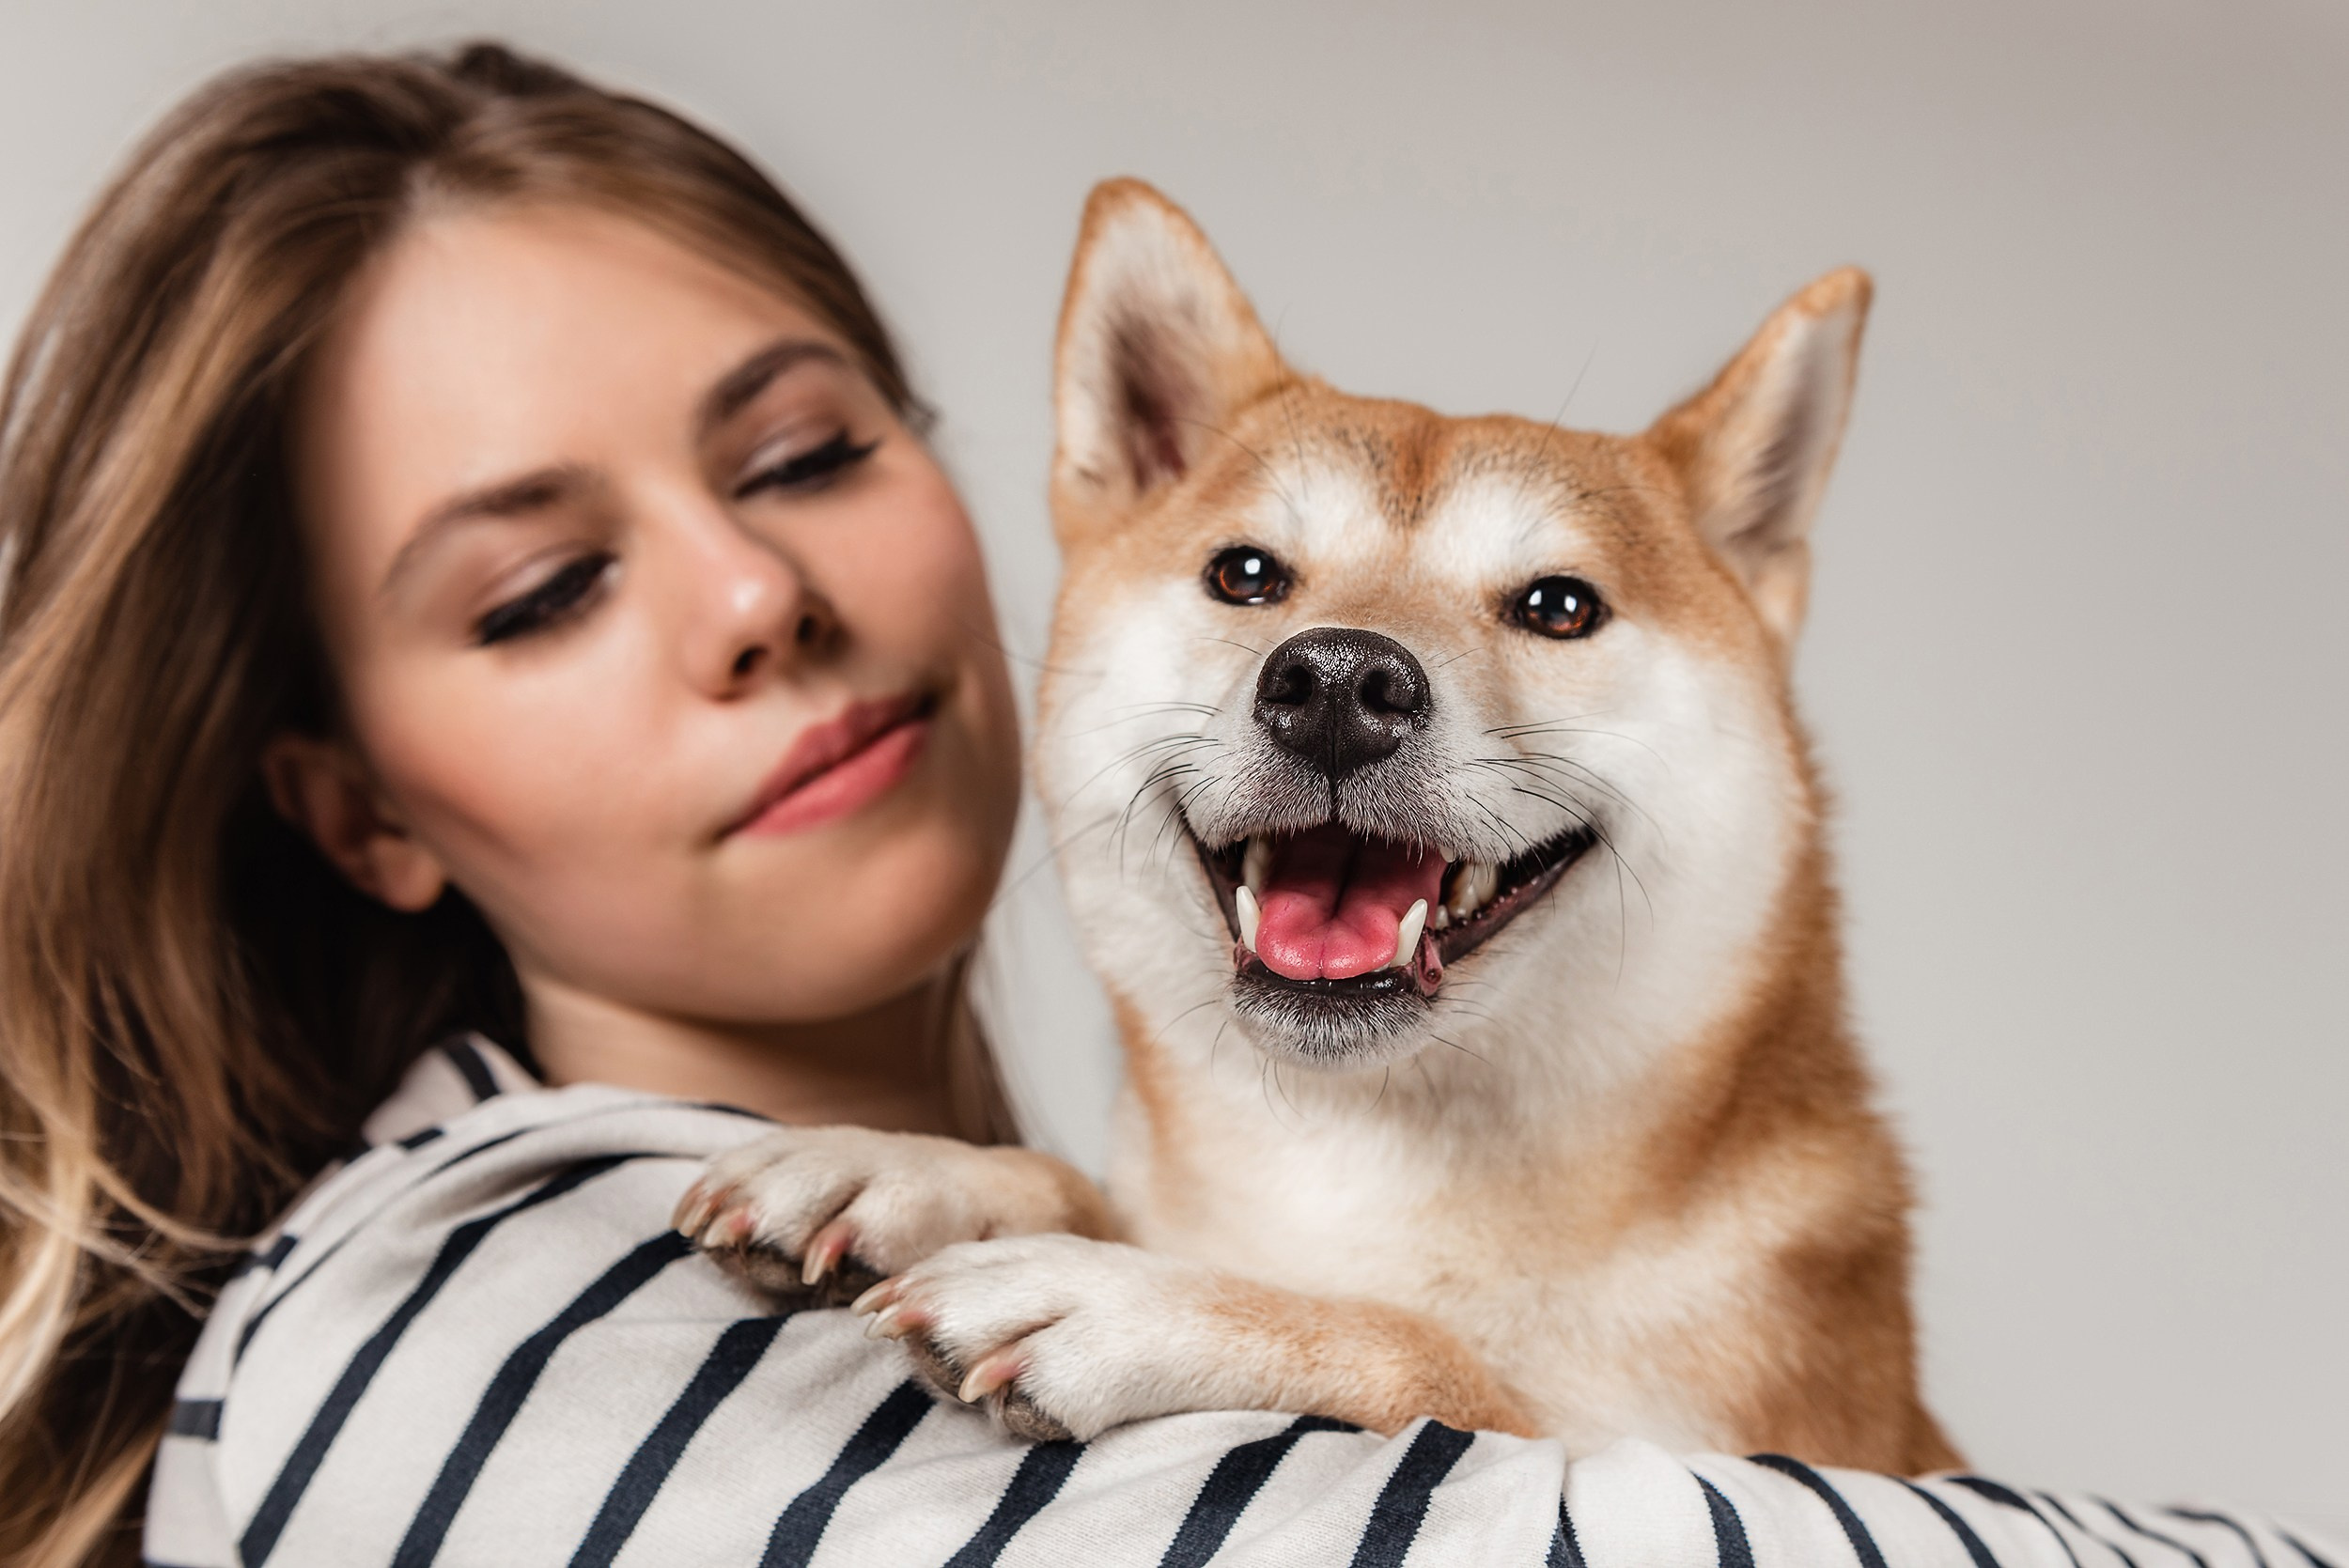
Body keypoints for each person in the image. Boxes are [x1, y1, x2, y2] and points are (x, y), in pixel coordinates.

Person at [0, 42, 2321, 1568]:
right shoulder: (479, 1327)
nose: (748, 593)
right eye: (539, 589)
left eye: (803, 452)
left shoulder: (1007, 1267)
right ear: (356, 810)